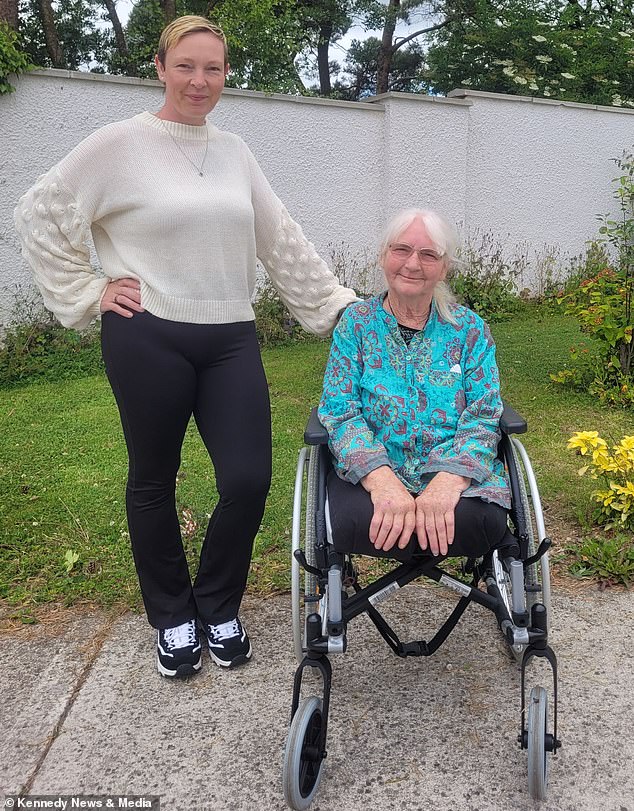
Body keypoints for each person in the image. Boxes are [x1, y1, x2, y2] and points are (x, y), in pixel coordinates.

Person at [14, 15, 356, 678]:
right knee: (152, 479)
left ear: (227, 74)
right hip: (149, 334)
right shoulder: (118, 145)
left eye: (213, 68)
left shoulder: (234, 152)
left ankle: (218, 603)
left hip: (229, 336)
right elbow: (41, 211)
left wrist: (337, 305)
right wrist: (90, 291)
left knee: (248, 478)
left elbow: (278, 236)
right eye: (187, 66)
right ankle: (173, 616)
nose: (200, 81)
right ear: (160, 66)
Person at [318, 208, 518, 563]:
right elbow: (339, 409)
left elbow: (485, 413)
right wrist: (380, 480)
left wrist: (449, 480)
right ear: (383, 256)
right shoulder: (356, 325)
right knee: (348, 518)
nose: (412, 264)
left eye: (429, 255)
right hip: (370, 474)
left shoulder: (468, 329)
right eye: (401, 250)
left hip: (459, 477)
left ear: (444, 268)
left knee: (482, 519)